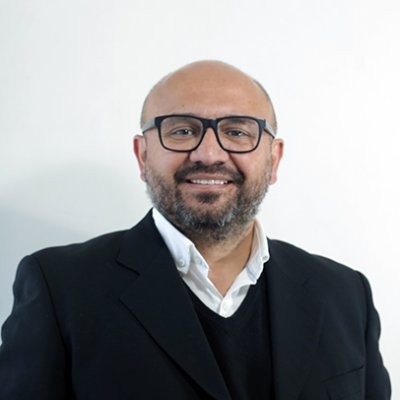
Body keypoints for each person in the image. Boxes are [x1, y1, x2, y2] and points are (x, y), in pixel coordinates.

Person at [0, 60, 391, 399]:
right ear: (142, 155)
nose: (209, 153)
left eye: (237, 132)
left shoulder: (345, 294)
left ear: (274, 160)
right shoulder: (60, 289)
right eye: (182, 131)